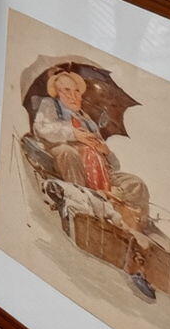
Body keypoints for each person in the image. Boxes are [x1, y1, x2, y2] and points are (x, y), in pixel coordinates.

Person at [32, 69, 150, 233]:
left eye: (77, 91)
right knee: (68, 153)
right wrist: (74, 134)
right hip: (70, 160)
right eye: (66, 90)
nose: (73, 95)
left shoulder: (87, 120)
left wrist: (106, 151)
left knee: (136, 184)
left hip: (98, 170)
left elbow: (115, 166)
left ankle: (106, 199)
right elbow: (41, 129)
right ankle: (82, 201)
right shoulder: (50, 105)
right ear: (57, 93)